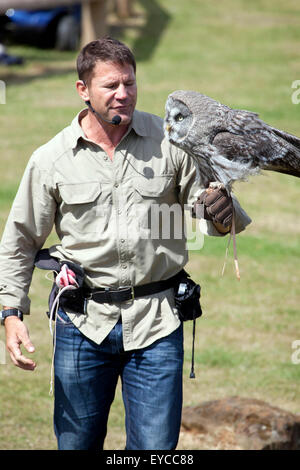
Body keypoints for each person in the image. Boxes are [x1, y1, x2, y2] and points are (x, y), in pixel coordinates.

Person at [0, 36, 251, 450]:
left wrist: (221, 211)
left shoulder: (172, 142)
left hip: (158, 322)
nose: (123, 94)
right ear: (83, 90)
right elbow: (21, 240)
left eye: (130, 84)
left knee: (154, 449)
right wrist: (11, 312)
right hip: (81, 324)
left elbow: (210, 215)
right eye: (111, 86)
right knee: (76, 443)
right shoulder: (52, 159)